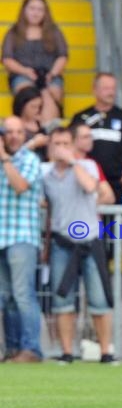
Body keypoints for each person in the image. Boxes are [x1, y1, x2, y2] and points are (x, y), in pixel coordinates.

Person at [42, 127, 115, 364]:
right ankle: (66, 352)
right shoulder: (45, 173)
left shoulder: (87, 166)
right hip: (62, 242)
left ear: (73, 145)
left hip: (90, 241)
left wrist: (73, 162)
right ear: (50, 147)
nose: (61, 148)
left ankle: (106, 352)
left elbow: (91, 187)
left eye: (65, 143)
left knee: (99, 299)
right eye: (56, 144)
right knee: (62, 300)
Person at [0, 115, 43, 362]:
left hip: (22, 236)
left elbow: (20, 186)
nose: (14, 135)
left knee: (23, 294)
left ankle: (31, 349)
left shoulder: (29, 159)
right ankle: (13, 349)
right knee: (5, 298)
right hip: (2, 235)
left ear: (24, 135)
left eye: (18, 132)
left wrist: (4, 158)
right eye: (9, 131)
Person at [71, 72, 122, 205]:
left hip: (118, 186)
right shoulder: (80, 118)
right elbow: (69, 145)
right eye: (106, 88)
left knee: (114, 226)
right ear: (94, 89)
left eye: (113, 88)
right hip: (86, 182)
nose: (111, 92)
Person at [1, 0, 68, 124]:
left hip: (50, 74)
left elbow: (63, 56)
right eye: (32, 8)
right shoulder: (13, 32)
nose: (36, 13)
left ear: (45, 12)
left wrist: (52, 73)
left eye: (40, 9)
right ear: (24, 10)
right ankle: (30, 128)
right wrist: (25, 71)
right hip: (23, 74)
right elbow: (7, 59)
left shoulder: (54, 31)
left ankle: (47, 129)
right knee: (28, 93)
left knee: (50, 93)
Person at [70, 121, 115, 205]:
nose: (90, 140)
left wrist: (85, 207)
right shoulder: (64, 162)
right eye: (85, 137)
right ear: (73, 139)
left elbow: (110, 197)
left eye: (91, 136)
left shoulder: (93, 164)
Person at [12, 85, 50, 161]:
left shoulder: (41, 125)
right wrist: (33, 143)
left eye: (39, 107)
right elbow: (11, 152)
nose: (37, 110)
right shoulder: (13, 125)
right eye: (33, 106)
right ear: (22, 105)